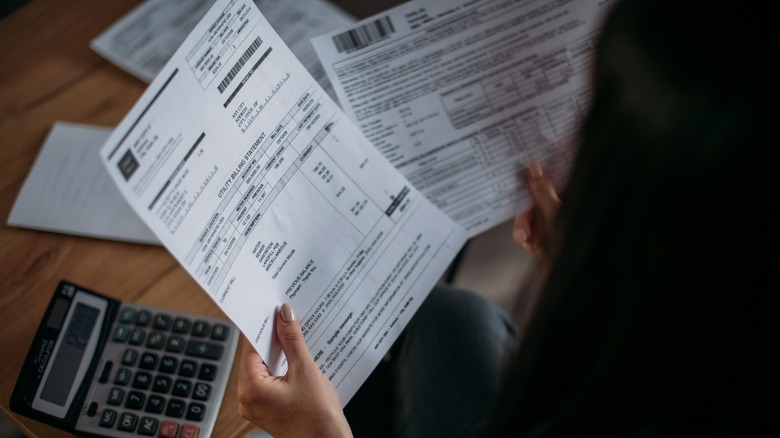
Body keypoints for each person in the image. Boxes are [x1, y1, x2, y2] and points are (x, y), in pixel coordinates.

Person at [237, 0, 779, 435]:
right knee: (451, 319)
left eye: (593, 123)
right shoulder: (708, 323)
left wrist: (318, 433)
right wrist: (581, 266)